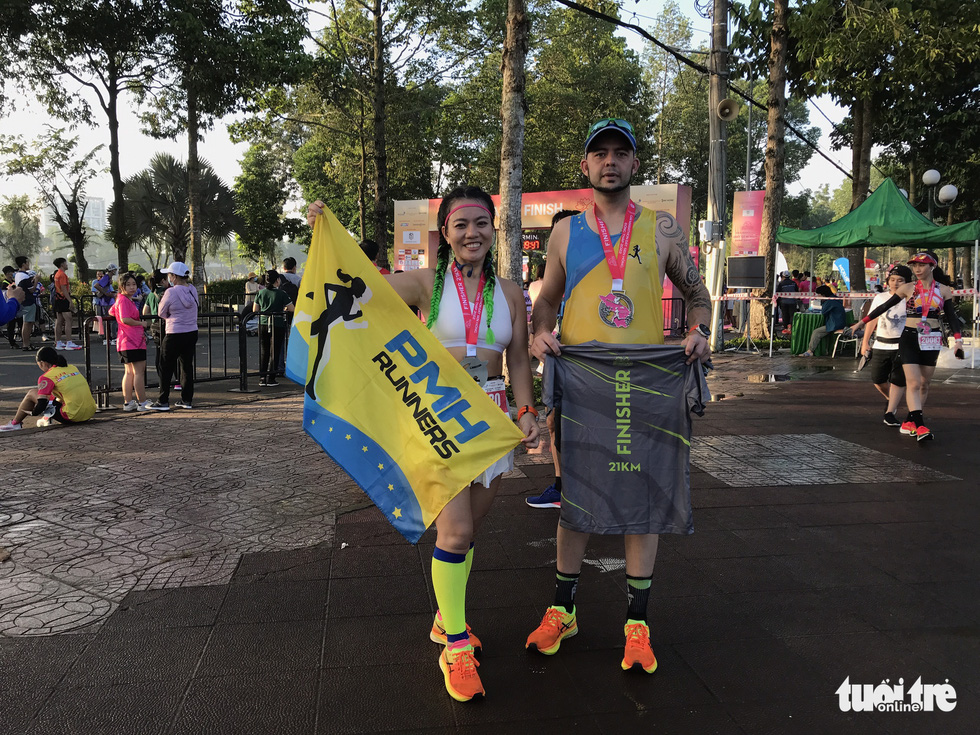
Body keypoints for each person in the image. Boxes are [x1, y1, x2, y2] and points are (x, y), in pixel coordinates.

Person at [307, 185, 540, 703]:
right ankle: (455, 645)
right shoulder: (422, 285)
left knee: (470, 530)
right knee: (454, 533)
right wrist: (330, 234)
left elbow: (520, 357)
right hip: (439, 420)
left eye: (481, 223)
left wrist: (528, 411)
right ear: (446, 235)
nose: (471, 233)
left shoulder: (509, 292)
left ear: (492, 230)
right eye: (460, 225)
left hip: (493, 419)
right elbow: (361, 288)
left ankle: (444, 617)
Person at [525, 117, 710, 675]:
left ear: (634, 165)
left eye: (620, 153)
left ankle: (637, 622)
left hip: (645, 384)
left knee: (644, 500)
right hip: (584, 387)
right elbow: (546, 303)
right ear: (585, 166)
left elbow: (698, 296)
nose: (610, 161)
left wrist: (698, 330)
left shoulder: (661, 229)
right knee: (576, 497)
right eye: (599, 153)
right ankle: (563, 608)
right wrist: (538, 332)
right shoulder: (564, 234)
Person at [849, 252, 964, 441]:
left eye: (922, 265)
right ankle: (920, 426)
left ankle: (911, 420)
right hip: (909, 338)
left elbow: (952, 318)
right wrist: (861, 323)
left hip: (931, 338)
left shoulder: (943, 290)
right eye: (914, 266)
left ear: (932, 266)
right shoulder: (907, 288)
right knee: (913, 382)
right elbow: (882, 308)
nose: (917, 269)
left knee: (924, 384)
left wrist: (958, 341)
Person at [525, 208, 581, 510]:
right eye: (556, 232)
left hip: (591, 362)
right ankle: (562, 487)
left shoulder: (592, 266)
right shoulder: (548, 277)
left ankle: (587, 489)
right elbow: (543, 305)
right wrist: (541, 333)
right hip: (557, 358)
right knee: (554, 419)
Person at [859, 265, 910, 427]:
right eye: (892, 280)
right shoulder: (880, 298)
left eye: (900, 280)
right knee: (878, 379)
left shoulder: (911, 299)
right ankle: (891, 399)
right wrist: (865, 342)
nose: (895, 283)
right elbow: (871, 320)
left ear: (907, 283)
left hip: (902, 346)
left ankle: (891, 410)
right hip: (881, 344)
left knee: (898, 380)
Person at [0, 346, 97, 432]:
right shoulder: (72, 368)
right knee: (57, 395)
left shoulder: (47, 377)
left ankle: (15, 424)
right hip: (90, 412)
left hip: (73, 416)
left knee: (31, 393)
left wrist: (32, 412)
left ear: (42, 363)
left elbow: (42, 404)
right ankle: (46, 418)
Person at [145, 262, 199, 411]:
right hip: (191, 331)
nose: (168, 277)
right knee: (186, 366)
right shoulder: (193, 290)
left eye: (169, 275)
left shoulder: (171, 292)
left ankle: (163, 400)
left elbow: (161, 312)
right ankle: (186, 399)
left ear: (174, 276)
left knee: (165, 366)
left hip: (174, 332)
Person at [109, 272, 150, 412]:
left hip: (126, 341)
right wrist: (141, 323)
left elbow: (111, 312)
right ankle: (142, 402)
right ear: (122, 286)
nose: (132, 287)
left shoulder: (121, 299)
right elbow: (125, 318)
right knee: (138, 372)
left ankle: (128, 402)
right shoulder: (124, 300)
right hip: (132, 340)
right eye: (128, 285)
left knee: (130, 372)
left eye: (134, 284)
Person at [252, 269, 294, 387]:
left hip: (263, 323)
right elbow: (292, 308)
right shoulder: (281, 293)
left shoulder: (260, 293)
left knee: (264, 350)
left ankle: (262, 377)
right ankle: (271, 378)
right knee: (275, 351)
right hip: (277, 323)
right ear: (277, 280)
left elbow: (255, 310)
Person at [799, 285, 847, 356]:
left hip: (835, 324)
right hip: (840, 322)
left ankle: (810, 351)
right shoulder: (835, 299)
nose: (817, 296)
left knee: (816, 332)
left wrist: (823, 301)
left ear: (823, 295)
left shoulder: (829, 302)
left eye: (818, 294)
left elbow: (823, 312)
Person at [51, 258, 81, 350]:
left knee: (59, 321)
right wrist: (70, 301)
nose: (67, 264)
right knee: (69, 320)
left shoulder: (57, 274)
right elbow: (64, 289)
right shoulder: (62, 275)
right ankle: (69, 342)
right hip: (63, 299)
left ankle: (58, 342)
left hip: (57, 299)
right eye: (65, 263)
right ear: (62, 264)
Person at [14, 269, 39, 351]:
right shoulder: (25, 279)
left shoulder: (20, 278)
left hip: (28, 302)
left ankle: (27, 343)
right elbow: (32, 289)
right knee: (27, 323)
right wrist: (36, 281)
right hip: (28, 303)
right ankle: (26, 344)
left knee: (29, 323)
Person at [93, 264, 117, 343]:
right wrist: (106, 293)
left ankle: (108, 337)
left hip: (106, 301)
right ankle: (111, 337)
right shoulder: (106, 277)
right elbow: (96, 285)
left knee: (108, 320)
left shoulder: (108, 278)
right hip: (106, 301)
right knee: (110, 320)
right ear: (112, 270)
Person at [776, 270, 799, 335]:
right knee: (792, 315)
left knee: (785, 314)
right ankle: (791, 327)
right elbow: (797, 292)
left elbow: (778, 292)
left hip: (784, 302)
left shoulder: (781, 283)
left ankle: (785, 327)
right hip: (792, 302)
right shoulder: (793, 283)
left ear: (783, 276)